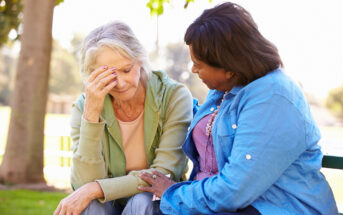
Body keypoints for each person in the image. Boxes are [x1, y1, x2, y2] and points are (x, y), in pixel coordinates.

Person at [138, 2, 338, 215]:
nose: (194, 69)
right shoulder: (226, 89)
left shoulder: (272, 97)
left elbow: (234, 190)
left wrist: (174, 194)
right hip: (233, 206)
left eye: (199, 64)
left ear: (228, 66)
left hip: (278, 207)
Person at [53, 21, 193, 215]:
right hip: (108, 205)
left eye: (126, 70)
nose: (119, 83)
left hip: (153, 204)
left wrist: (97, 188)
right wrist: (92, 114)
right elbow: (82, 184)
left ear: (140, 60)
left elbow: (163, 174)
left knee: (141, 202)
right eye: (107, 75)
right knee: (90, 206)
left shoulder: (174, 96)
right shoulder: (84, 106)